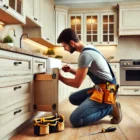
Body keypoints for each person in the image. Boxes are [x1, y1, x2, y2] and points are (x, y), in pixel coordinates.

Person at [57, 28, 122, 127]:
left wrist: (60, 77)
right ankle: (99, 105)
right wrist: (70, 70)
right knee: (73, 98)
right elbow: (85, 73)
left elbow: (76, 83)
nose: (65, 49)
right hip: (104, 87)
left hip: (108, 92)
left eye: (65, 46)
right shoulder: (89, 48)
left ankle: (110, 108)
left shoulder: (85, 55)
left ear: (71, 42)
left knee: (75, 120)